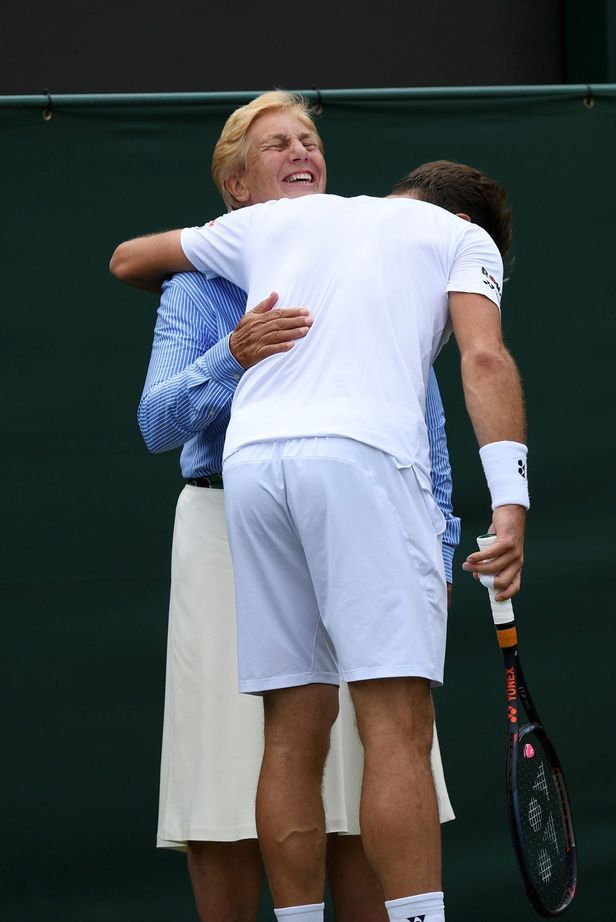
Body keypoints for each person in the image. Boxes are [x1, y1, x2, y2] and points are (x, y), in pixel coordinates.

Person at [110, 158, 527, 922]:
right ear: (468, 226)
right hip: (358, 464)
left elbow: (128, 257)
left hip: (255, 467)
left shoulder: (282, 221)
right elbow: (484, 356)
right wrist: (512, 503)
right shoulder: (460, 239)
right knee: (396, 725)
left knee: (291, 730)